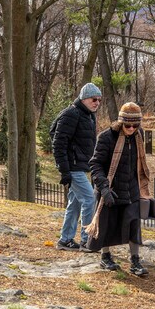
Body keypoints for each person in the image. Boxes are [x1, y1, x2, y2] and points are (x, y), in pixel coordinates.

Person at [85, 102, 151, 276]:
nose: (131, 128)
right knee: (106, 224)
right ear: (121, 122)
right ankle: (105, 256)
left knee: (133, 225)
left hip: (132, 189)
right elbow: (95, 164)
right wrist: (104, 188)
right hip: (110, 189)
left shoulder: (139, 135)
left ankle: (135, 261)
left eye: (135, 125)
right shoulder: (106, 137)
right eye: (127, 124)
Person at [53, 83, 102, 251]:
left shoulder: (89, 115)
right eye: (94, 99)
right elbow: (58, 143)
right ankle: (87, 240)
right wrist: (64, 170)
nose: (97, 103)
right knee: (89, 199)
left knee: (74, 203)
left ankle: (65, 240)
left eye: (99, 100)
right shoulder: (71, 114)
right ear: (84, 98)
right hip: (72, 167)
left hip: (81, 166)